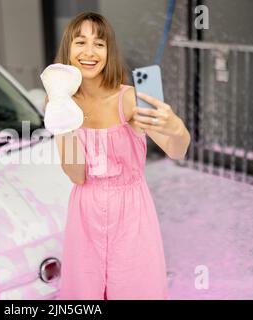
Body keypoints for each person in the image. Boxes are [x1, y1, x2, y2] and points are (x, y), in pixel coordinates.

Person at [44, 11, 191, 300]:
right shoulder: (57, 101)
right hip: (85, 212)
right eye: (80, 42)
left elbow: (177, 149)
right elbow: (76, 174)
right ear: (68, 49)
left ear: (109, 51)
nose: (89, 52)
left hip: (131, 212)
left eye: (99, 43)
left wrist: (176, 126)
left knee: (135, 290)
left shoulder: (128, 99)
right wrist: (64, 113)